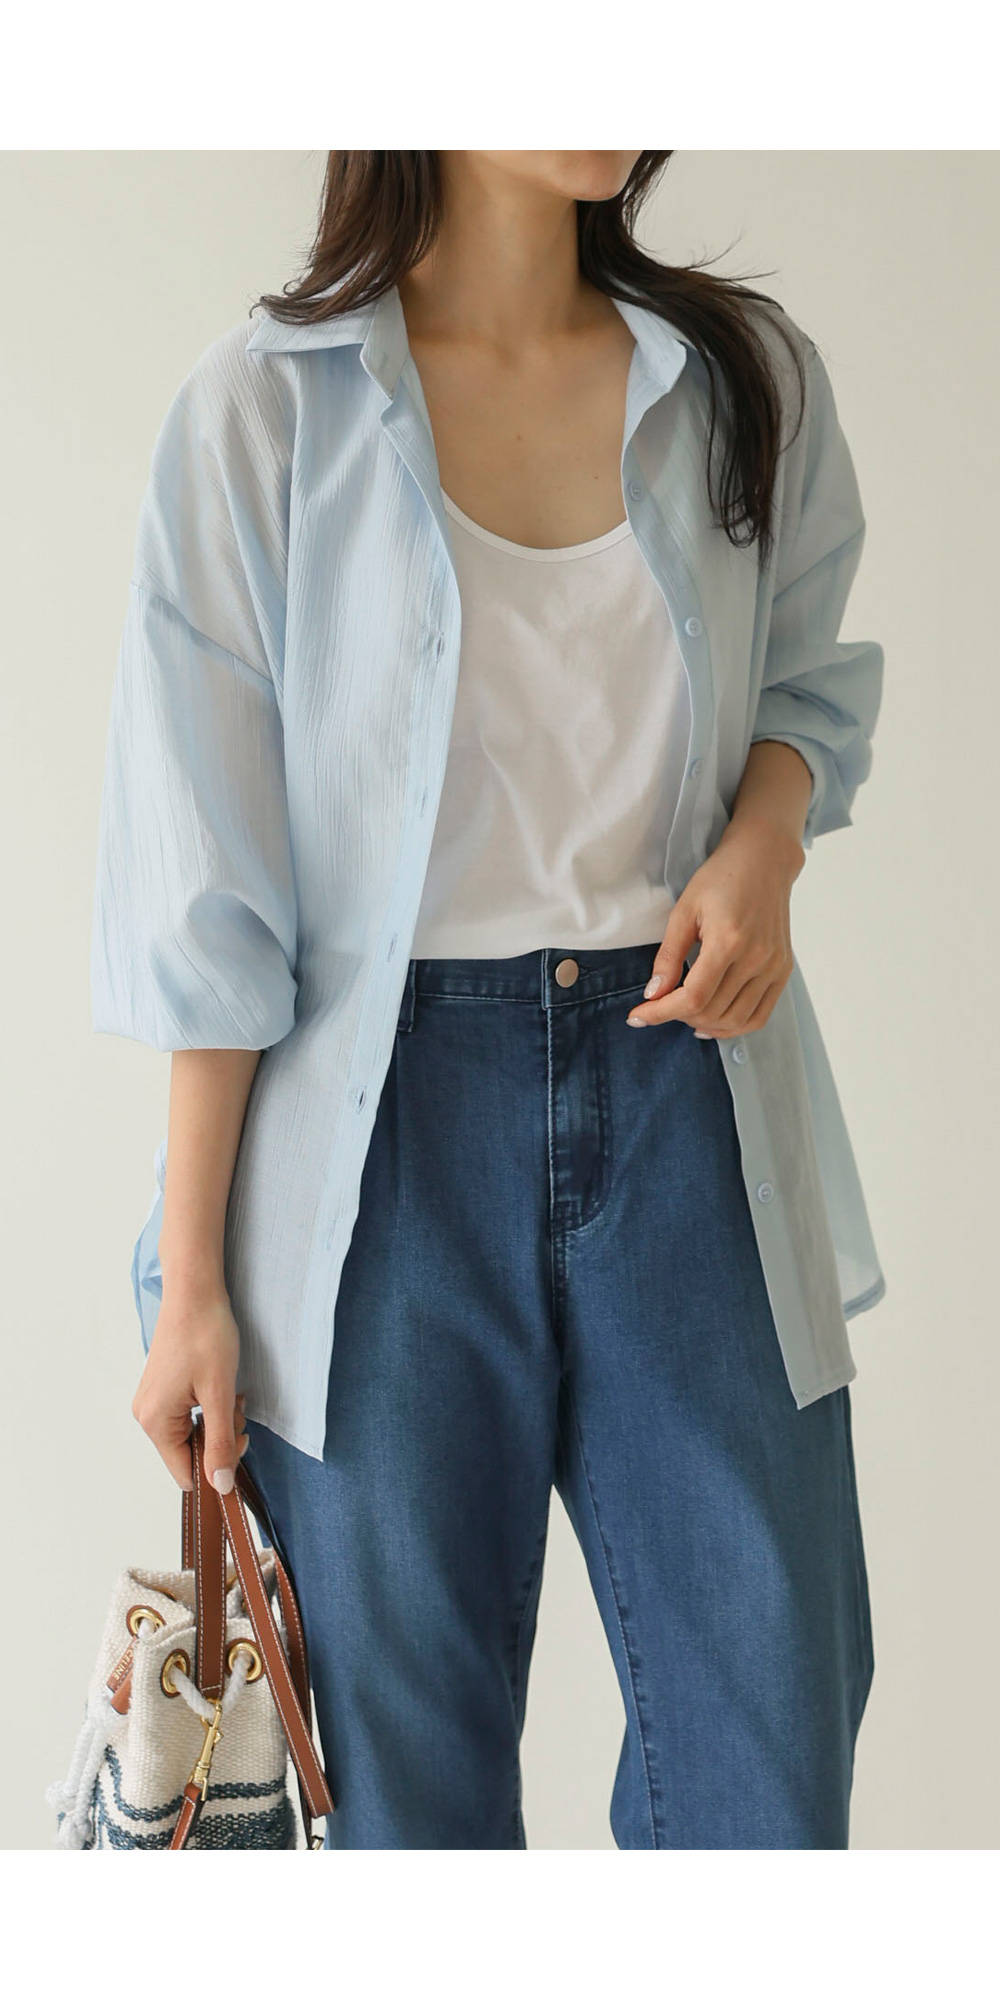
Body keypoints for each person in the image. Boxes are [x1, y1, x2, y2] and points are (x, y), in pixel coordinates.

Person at [92, 150, 885, 1849]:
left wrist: (765, 847)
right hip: (373, 1155)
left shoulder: (743, 382)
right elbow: (207, 892)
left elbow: (811, 686)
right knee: (409, 1809)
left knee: (771, 1761)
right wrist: (196, 1283)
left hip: (692, 1099)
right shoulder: (261, 413)